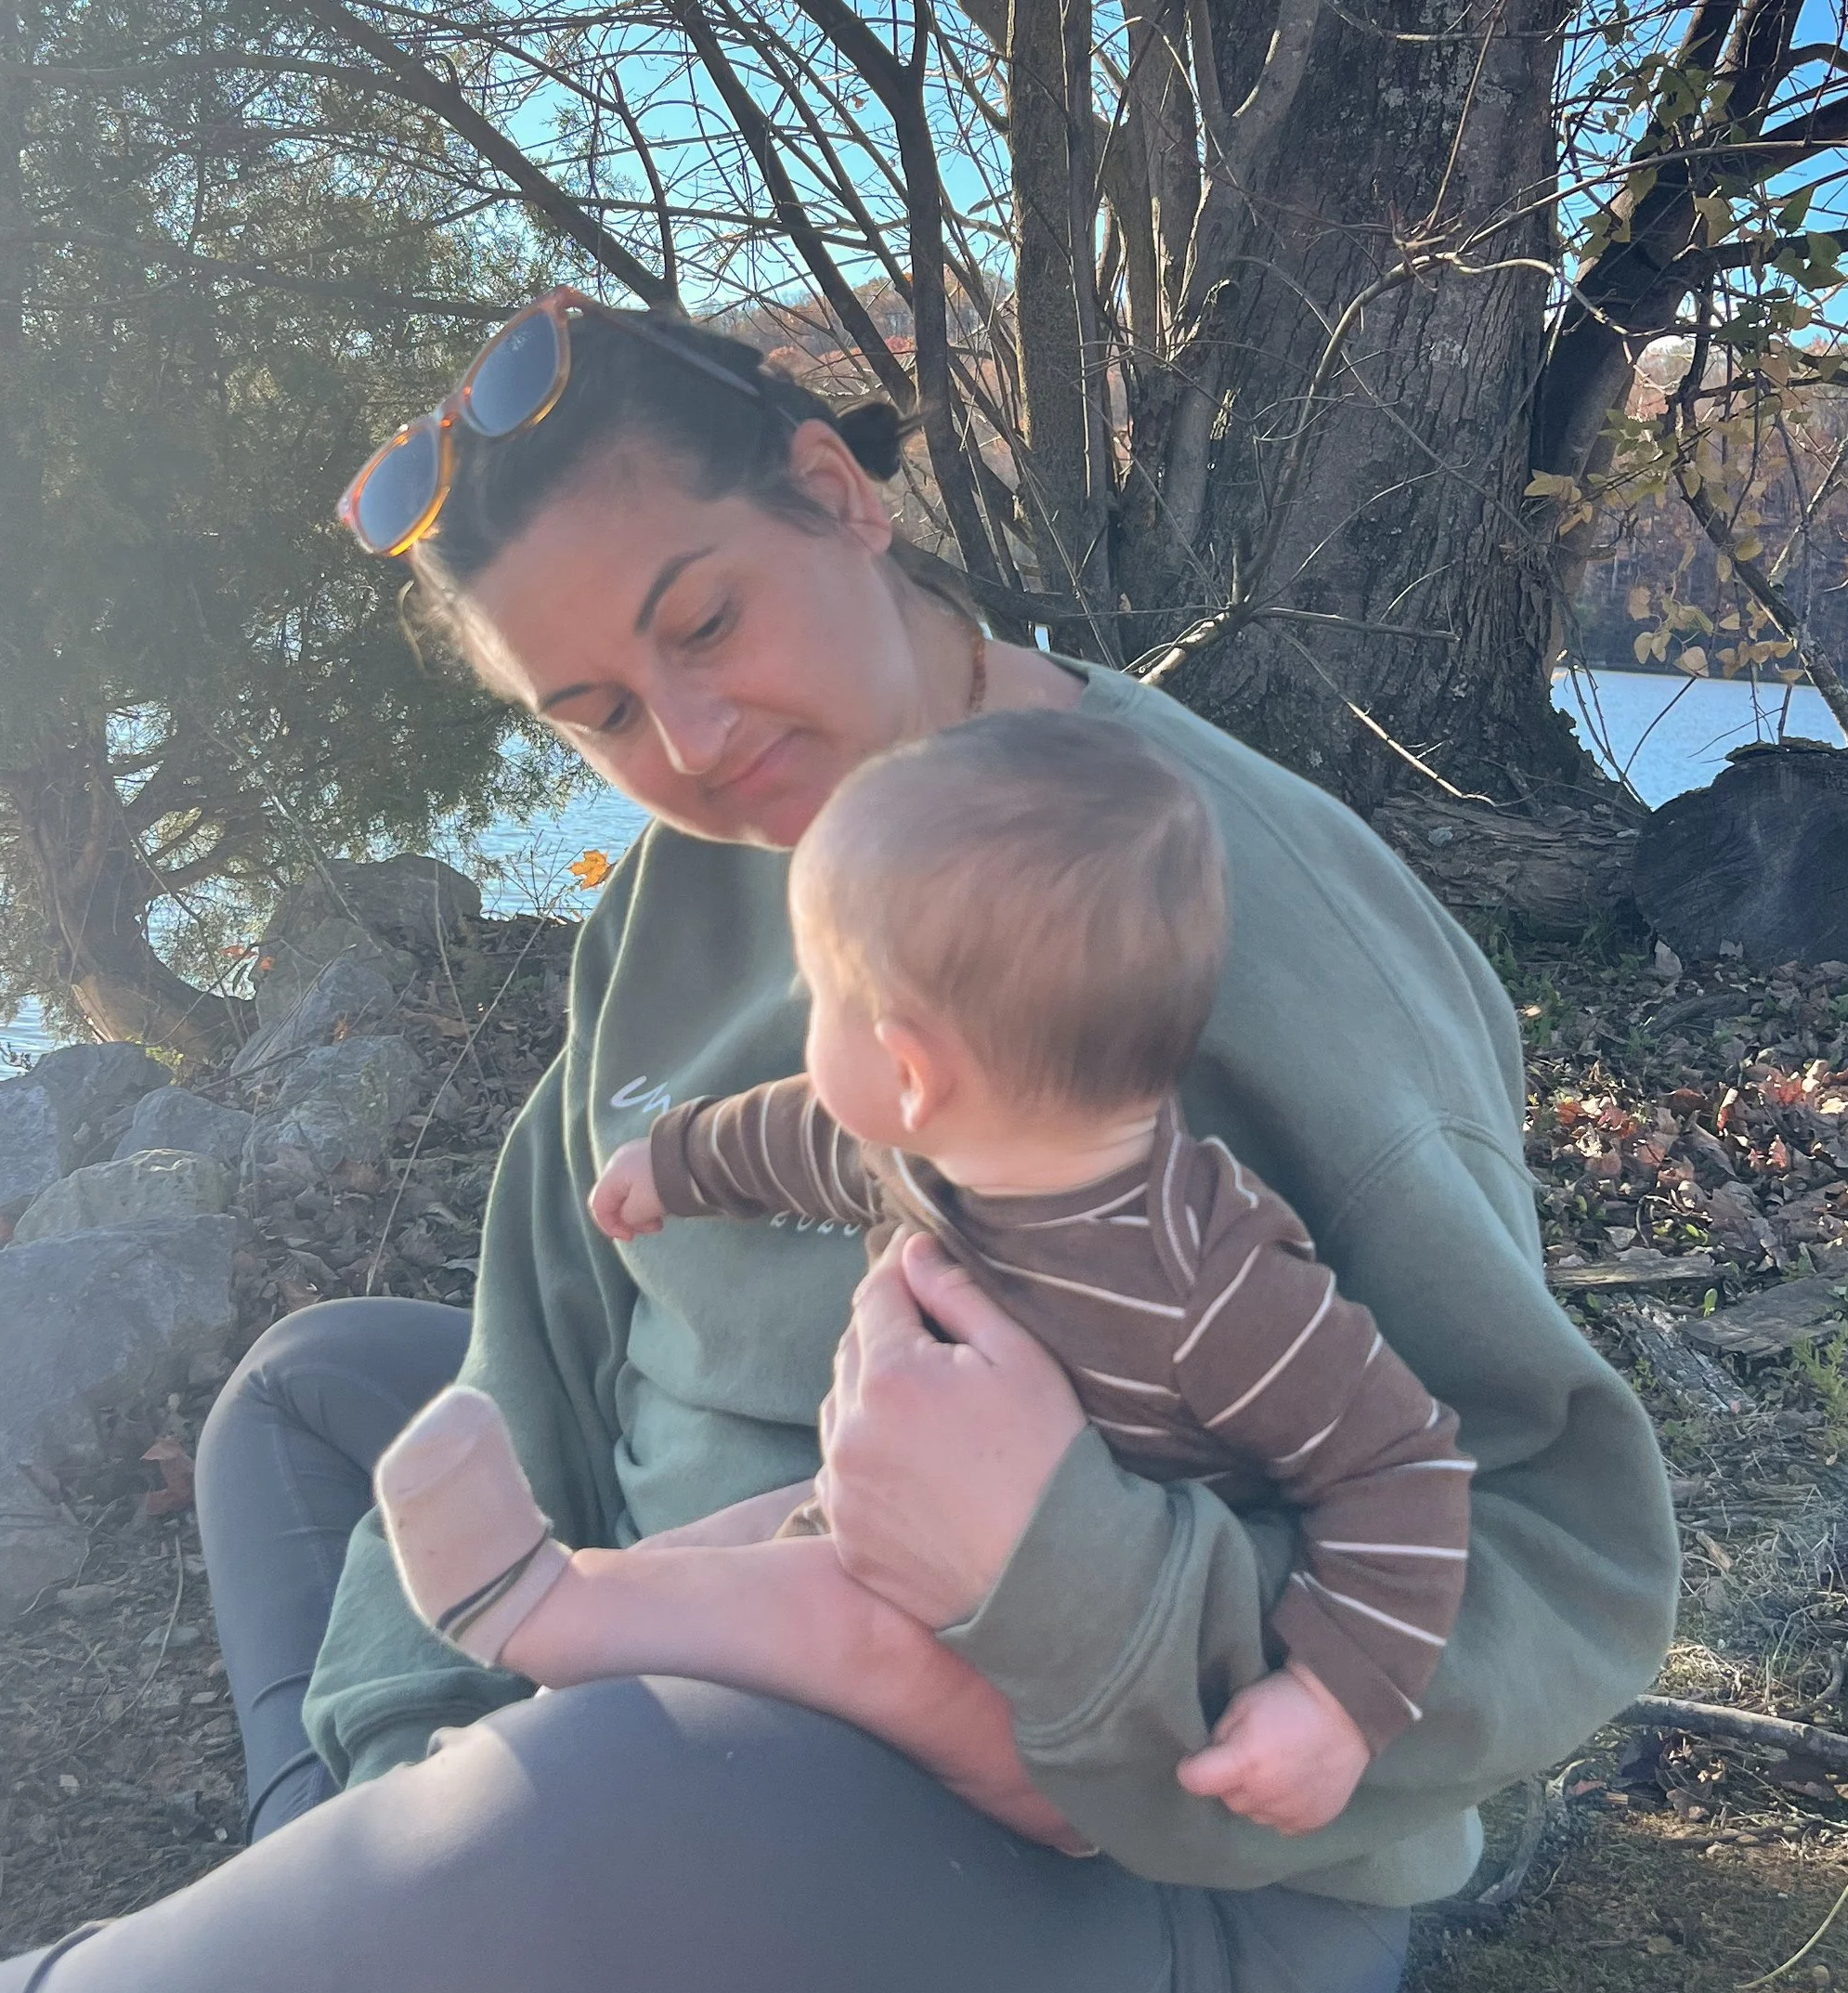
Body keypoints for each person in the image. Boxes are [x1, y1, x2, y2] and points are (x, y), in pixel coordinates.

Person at [0, 292, 1678, 1993]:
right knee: (316, 1401)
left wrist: (1068, 1574)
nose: (685, 743)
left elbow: (1543, 1561)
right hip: (674, 1678)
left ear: (839, 496)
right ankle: (342, 1973)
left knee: (581, 1855)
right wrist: (433, 1763)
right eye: (590, 711)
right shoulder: (705, 876)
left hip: (1134, 1881)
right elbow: (542, 1317)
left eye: (702, 620)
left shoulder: (1213, 896)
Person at [377, 708, 1474, 1840]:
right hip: (910, 1562)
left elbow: (1402, 1472)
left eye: (818, 1005)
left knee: (821, 1607)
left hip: (1063, 1715)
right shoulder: (936, 1147)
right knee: (750, 1538)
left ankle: (545, 1614)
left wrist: (1334, 1706)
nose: (805, 1043)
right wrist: (674, 1160)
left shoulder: (1217, 1287)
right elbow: (805, 1139)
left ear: (905, 1066)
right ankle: (569, 1695)